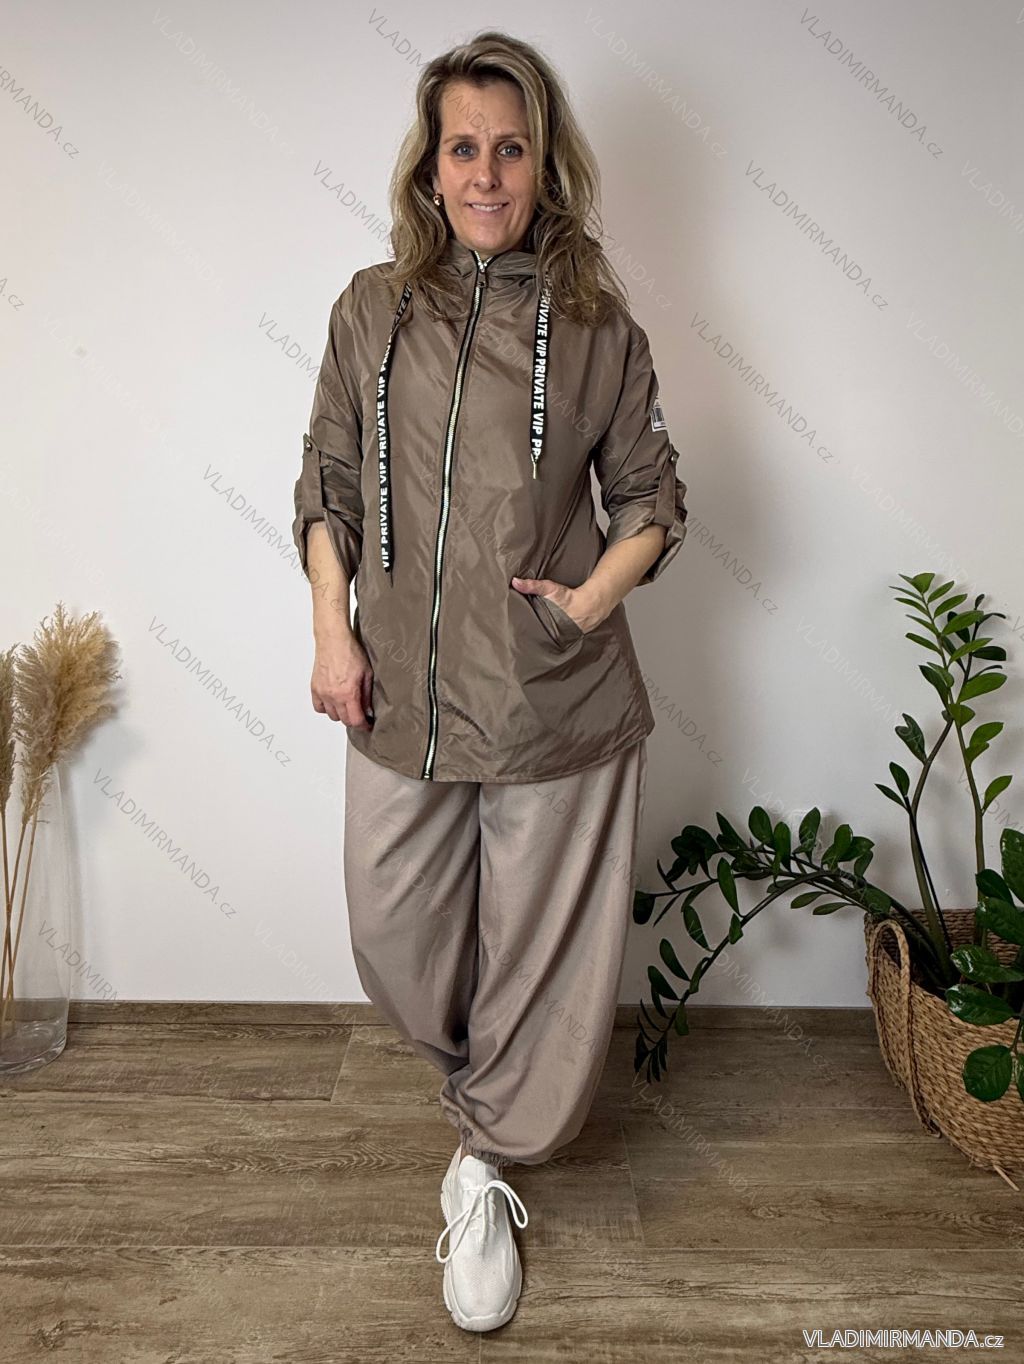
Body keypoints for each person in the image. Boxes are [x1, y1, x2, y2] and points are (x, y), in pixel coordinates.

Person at [292, 29, 688, 1334]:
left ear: (545, 164)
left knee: (540, 954)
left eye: (510, 148)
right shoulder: (370, 309)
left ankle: (484, 1170)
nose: (485, 173)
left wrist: (589, 600)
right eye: (462, 147)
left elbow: (652, 496)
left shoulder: (598, 327)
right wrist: (333, 630)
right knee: (391, 931)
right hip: (399, 693)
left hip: (551, 695)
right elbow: (327, 480)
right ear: (430, 166)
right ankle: (488, 1110)